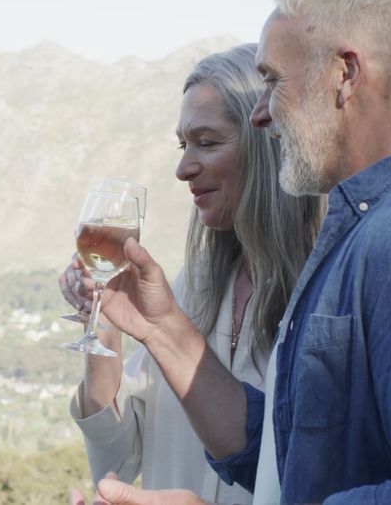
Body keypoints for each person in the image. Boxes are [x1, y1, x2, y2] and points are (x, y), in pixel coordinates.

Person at [71, 0, 391, 504]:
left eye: (273, 80)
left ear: (344, 74)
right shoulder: (368, 232)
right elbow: (287, 462)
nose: (259, 115)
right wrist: (160, 328)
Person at [60, 44, 325, 502]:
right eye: (184, 145)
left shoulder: (326, 296)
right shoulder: (192, 284)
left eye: (207, 142)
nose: (183, 168)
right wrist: (103, 325)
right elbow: (116, 461)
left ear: (266, 140)